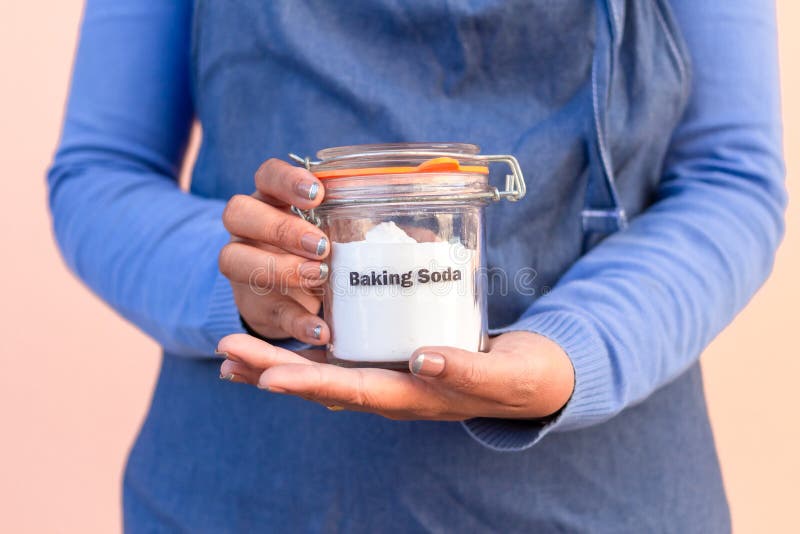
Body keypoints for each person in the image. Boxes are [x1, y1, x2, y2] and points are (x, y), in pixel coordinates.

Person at [48, 0, 784, 532]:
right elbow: (99, 173)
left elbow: (731, 178)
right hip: (244, 490)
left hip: (602, 496)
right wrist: (247, 286)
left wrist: (576, 353)